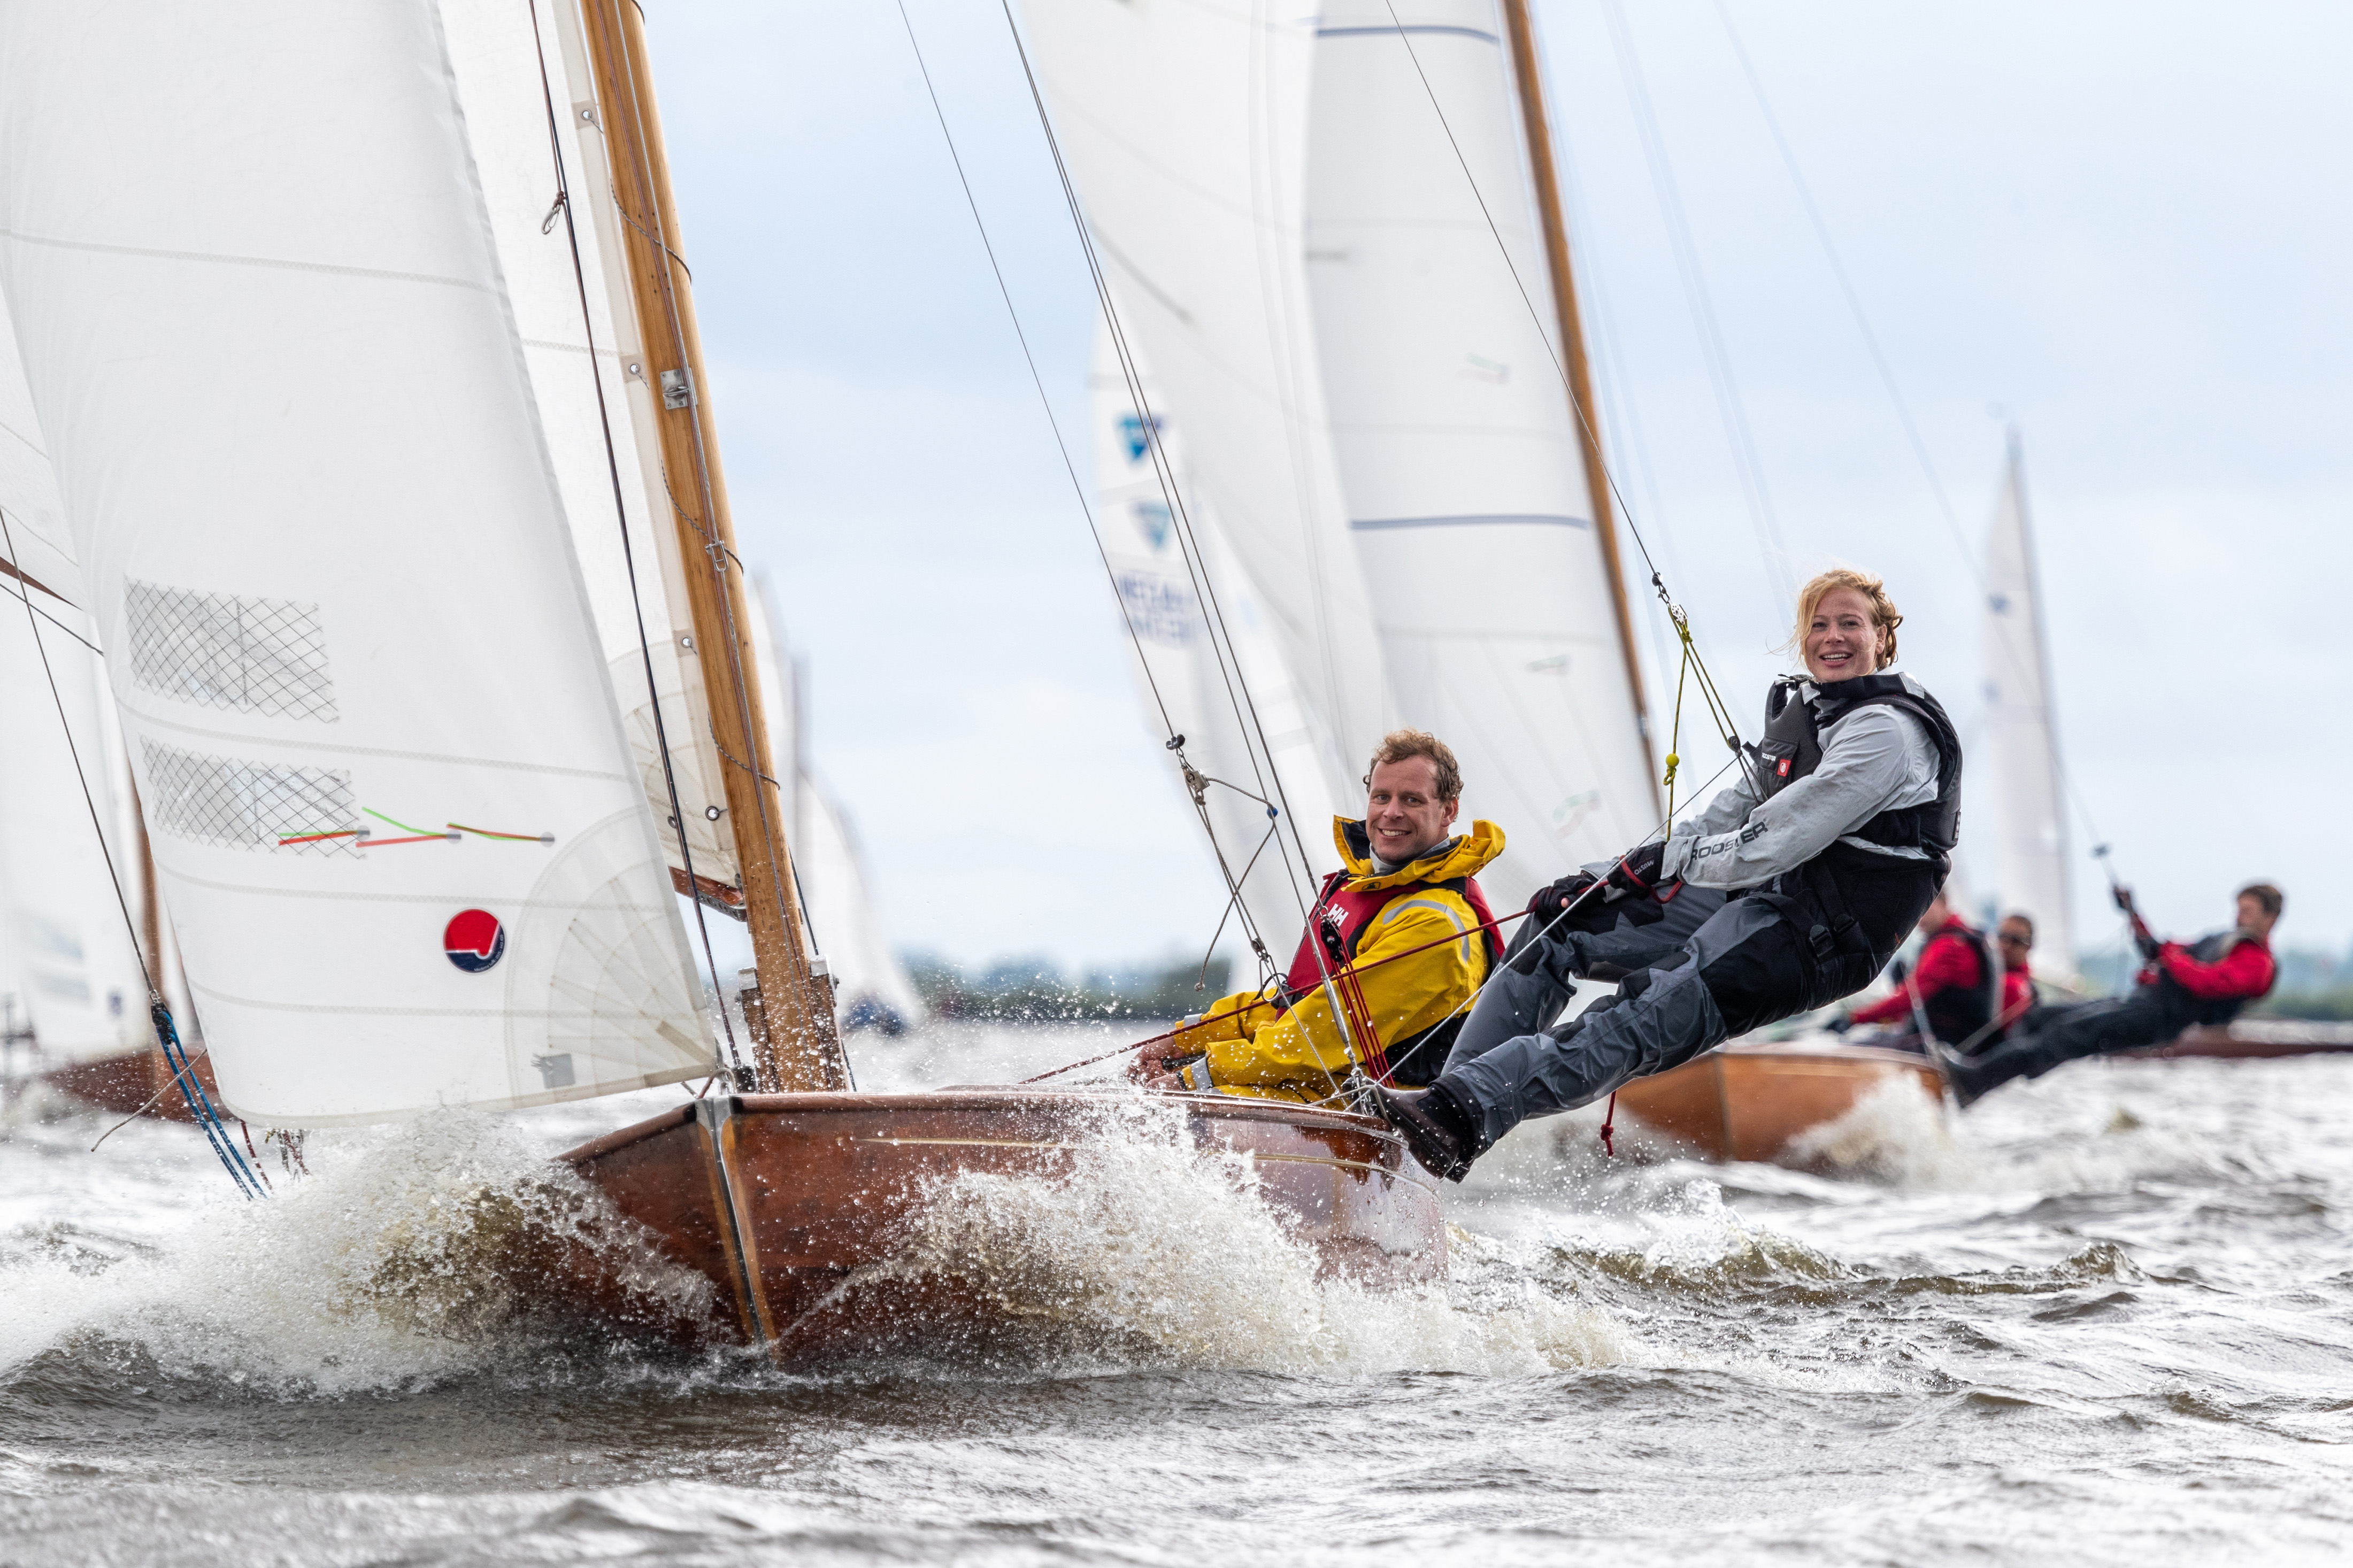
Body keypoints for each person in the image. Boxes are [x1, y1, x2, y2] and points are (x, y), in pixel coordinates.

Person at [1377, 567, 1960, 1180]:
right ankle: (1445, 1108)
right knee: (1562, 924)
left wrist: (1669, 864)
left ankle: (1459, 1112)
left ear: (1881, 640)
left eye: (1849, 623)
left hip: (1812, 939)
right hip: (1758, 896)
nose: (1831, 636)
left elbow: (1779, 838)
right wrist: (1610, 876)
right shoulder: (1812, 719)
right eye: (1818, 624)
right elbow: (1725, 815)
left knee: (1639, 1013)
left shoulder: (1886, 733)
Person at [1132, 729, 1504, 1102]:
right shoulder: (1362, 886)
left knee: (1156, 1110)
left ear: (1449, 810)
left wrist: (1193, 1077)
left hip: (1370, 1114)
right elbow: (1293, 1005)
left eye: (1411, 799)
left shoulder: (1437, 923)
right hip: (1308, 1087)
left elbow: (1322, 1033)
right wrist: (1184, 1040)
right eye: (1381, 797)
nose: (1392, 812)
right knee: (1133, 1096)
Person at [1935, 884, 2282, 1105]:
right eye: (2240, 908)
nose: (2240, 916)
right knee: (2044, 1016)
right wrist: (2132, 913)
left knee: (2067, 1035)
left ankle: (1973, 1082)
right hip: (2140, 1002)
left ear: (2271, 917)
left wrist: (2170, 957)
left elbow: (2206, 983)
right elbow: (2159, 949)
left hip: (2157, 1019)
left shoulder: (2258, 963)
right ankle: (1977, 1065)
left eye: (2249, 911)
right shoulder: (2222, 941)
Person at [1831, 884, 2000, 1048]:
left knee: (1848, 1048)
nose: (1918, 920)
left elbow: (1912, 997)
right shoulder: (1960, 938)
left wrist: (1854, 1019)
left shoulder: (1950, 946)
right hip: (1944, 1039)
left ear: (1944, 902)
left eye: (1924, 909)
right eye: (1915, 912)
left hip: (1944, 1045)